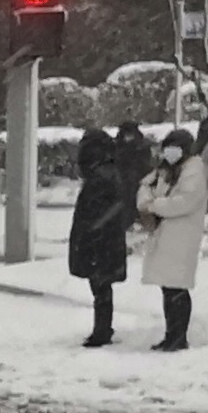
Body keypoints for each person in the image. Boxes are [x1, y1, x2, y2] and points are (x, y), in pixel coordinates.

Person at [136, 123, 208, 351]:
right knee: (168, 287)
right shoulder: (165, 170)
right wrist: (149, 201)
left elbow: (184, 202)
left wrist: (153, 205)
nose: (170, 152)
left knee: (178, 287)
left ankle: (178, 337)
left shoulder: (194, 171)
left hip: (182, 235)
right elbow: (144, 189)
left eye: (175, 147)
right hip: (166, 235)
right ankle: (171, 335)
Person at [67, 123, 135, 347]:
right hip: (104, 239)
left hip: (100, 240)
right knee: (101, 286)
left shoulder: (101, 175)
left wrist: (92, 230)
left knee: (100, 287)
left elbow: (105, 209)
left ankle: (102, 330)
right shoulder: (107, 170)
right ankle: (102, 328)